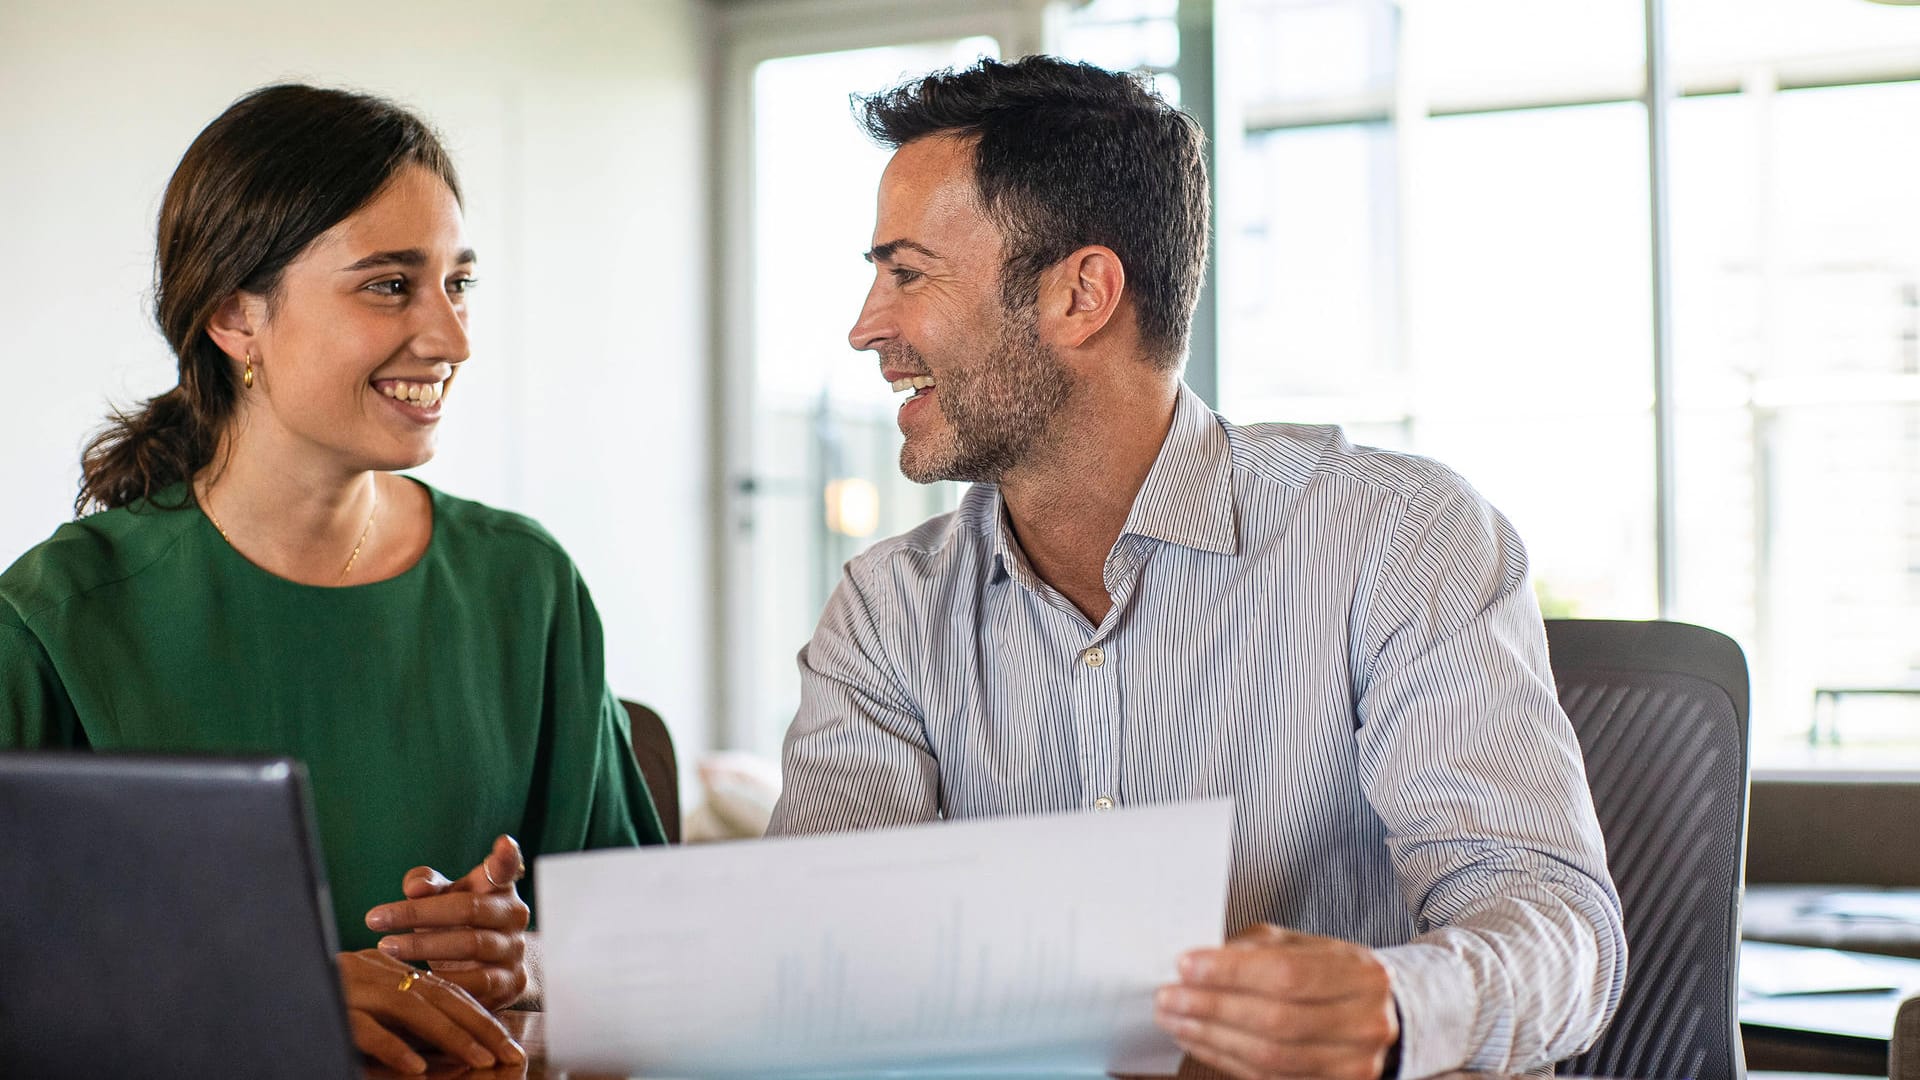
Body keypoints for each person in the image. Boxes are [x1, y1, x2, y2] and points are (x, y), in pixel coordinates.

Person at [767, 56, 1626, 1080]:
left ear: (1081, 294)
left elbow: (1557, 927)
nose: (867, 325)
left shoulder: (1397, 535)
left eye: (906, 273)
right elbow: (818, 959)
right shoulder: (884, 613)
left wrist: (1396, 1006)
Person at [0, 84, 665, 1074]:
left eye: (457, 282)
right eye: (390, 285)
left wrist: (520, 956)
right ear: (234, 315)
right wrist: (267, 991)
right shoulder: (56, 621)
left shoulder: (528, 588)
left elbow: (648, 962)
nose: (451, 337)